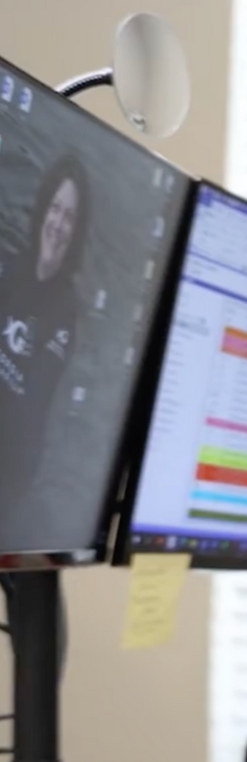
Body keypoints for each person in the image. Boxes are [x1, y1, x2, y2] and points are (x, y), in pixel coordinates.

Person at [0, 155, 90, 510]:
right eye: (55, 209)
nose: (58, 223)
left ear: (76, 230)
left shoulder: (65, 314)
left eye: (69, 217)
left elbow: (31, 405)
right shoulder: (8, 268)